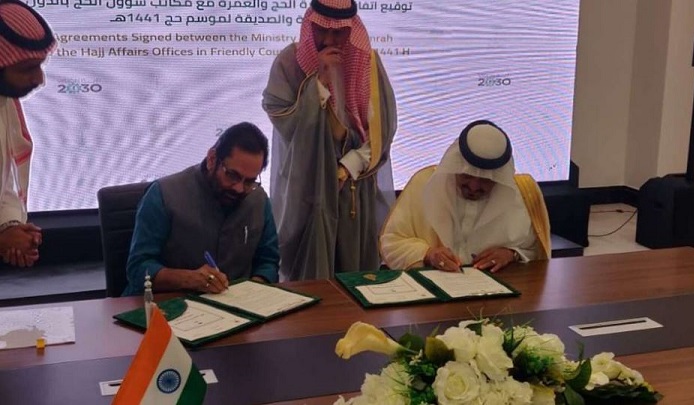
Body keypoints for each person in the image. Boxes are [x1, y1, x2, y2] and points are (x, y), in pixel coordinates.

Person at [263, 0, 397, 280]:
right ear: (310, 24)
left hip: (353, 189)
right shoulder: (289, 62)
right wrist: (319, 83)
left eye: (338, 32)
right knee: (307, 275)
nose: (328, 40)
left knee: (354, 272)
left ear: (352, 30)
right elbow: (283, 119)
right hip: (307, 186)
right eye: (322, 30)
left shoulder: (368, 63)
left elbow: (381, 131)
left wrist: (348, 166)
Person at [123, 123, 280, 295]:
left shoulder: (258, 199)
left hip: (237, 304)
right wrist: (187, 279)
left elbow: (268, 262)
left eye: (249, 181)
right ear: (212, 159)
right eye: (232, 175)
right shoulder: (164, 194)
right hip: (167, 303)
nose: (239, 188)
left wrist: (255, 289)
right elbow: (138, 268)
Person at [380, 120, 551, 273]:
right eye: (466, 176)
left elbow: (536, 250)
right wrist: (427, 254)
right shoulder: (424, 184)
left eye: (485, 180)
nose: (473, 187)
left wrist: (511, 254)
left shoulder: (523, 194)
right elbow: (391, 242)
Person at [0, 0, 55, 268]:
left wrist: (9, 226)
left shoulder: (4, 101)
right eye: (27, 69)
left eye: (40, 66)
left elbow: (4, 180)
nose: (39, 79)